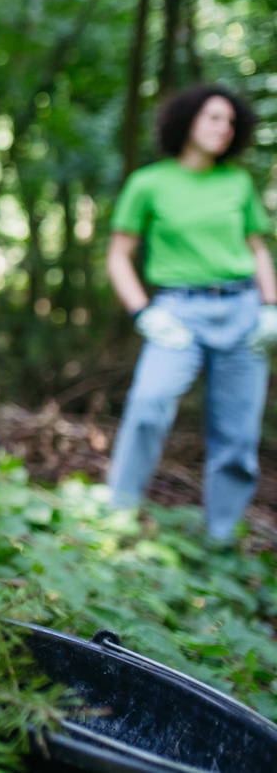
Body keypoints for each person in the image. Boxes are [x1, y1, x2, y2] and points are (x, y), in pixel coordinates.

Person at [105, 85, 277, 546]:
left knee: (237, 434)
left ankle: (221, 535)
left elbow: (257, 249)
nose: (225, 128)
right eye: (214, 118)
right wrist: (142, 312)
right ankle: (118, 513)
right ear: (187, 121)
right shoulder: (149, 183)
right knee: (148, 404)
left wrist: (270, 308)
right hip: (177, 313)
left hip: (243, 312)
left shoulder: (237, 183)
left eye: (231, 122)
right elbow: (118, 256)